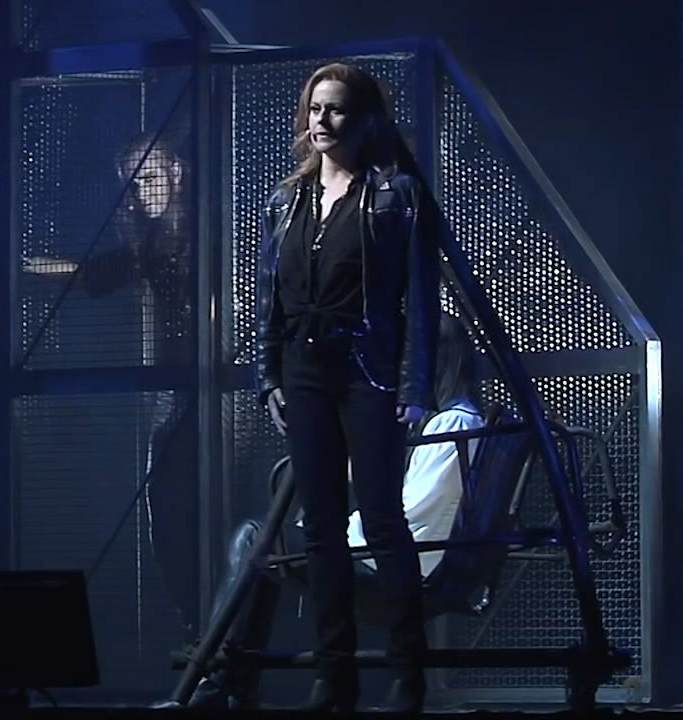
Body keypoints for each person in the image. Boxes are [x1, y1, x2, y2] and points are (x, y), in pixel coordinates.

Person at [254, 62, 443, 712]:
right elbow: (270, 299)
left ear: (363, 120)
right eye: (315, 109)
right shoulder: (286, 200)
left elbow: (420, 300)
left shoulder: (395, 196)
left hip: (368, 370)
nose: (322, 121)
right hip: (303, 371)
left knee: (383, 521)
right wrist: (268, 377)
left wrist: (414, 386)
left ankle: (409, 675)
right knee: (321, 528)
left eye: (335, 109)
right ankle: (334, 679)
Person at [189, 313, 482, 709]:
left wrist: (332, 531)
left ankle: (215, 683)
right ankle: (229, 682)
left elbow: (415, 515)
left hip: (403, 565)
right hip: (404, 557)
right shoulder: (450, 421)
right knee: (265, 545)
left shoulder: (455, 423)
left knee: (255, 538)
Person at [23, 133, 201, 646]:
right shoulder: (151, 245)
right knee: (166, 513)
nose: (142, 193)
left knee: (202, 504)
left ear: (177, 173)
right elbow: (95, 274)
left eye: (150, 178)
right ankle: (196, 622)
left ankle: (218, 622)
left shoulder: (209, 233)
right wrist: (25, 263)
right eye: (133, 185)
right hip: (174, 389)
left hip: (218, 391)